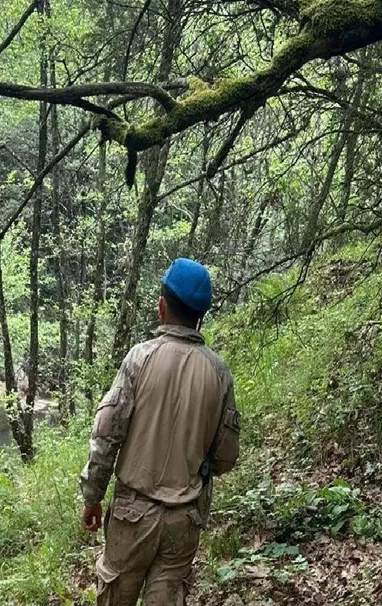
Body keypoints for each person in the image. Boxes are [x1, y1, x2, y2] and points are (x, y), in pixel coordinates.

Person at [79, 258, 241, 606]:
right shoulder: (219, 373)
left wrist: (93, 496)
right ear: (201, 315)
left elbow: (107, 434)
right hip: (183, 521)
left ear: (161, 305)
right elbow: (226, 456)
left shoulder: (139, 359)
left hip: (132, 515)